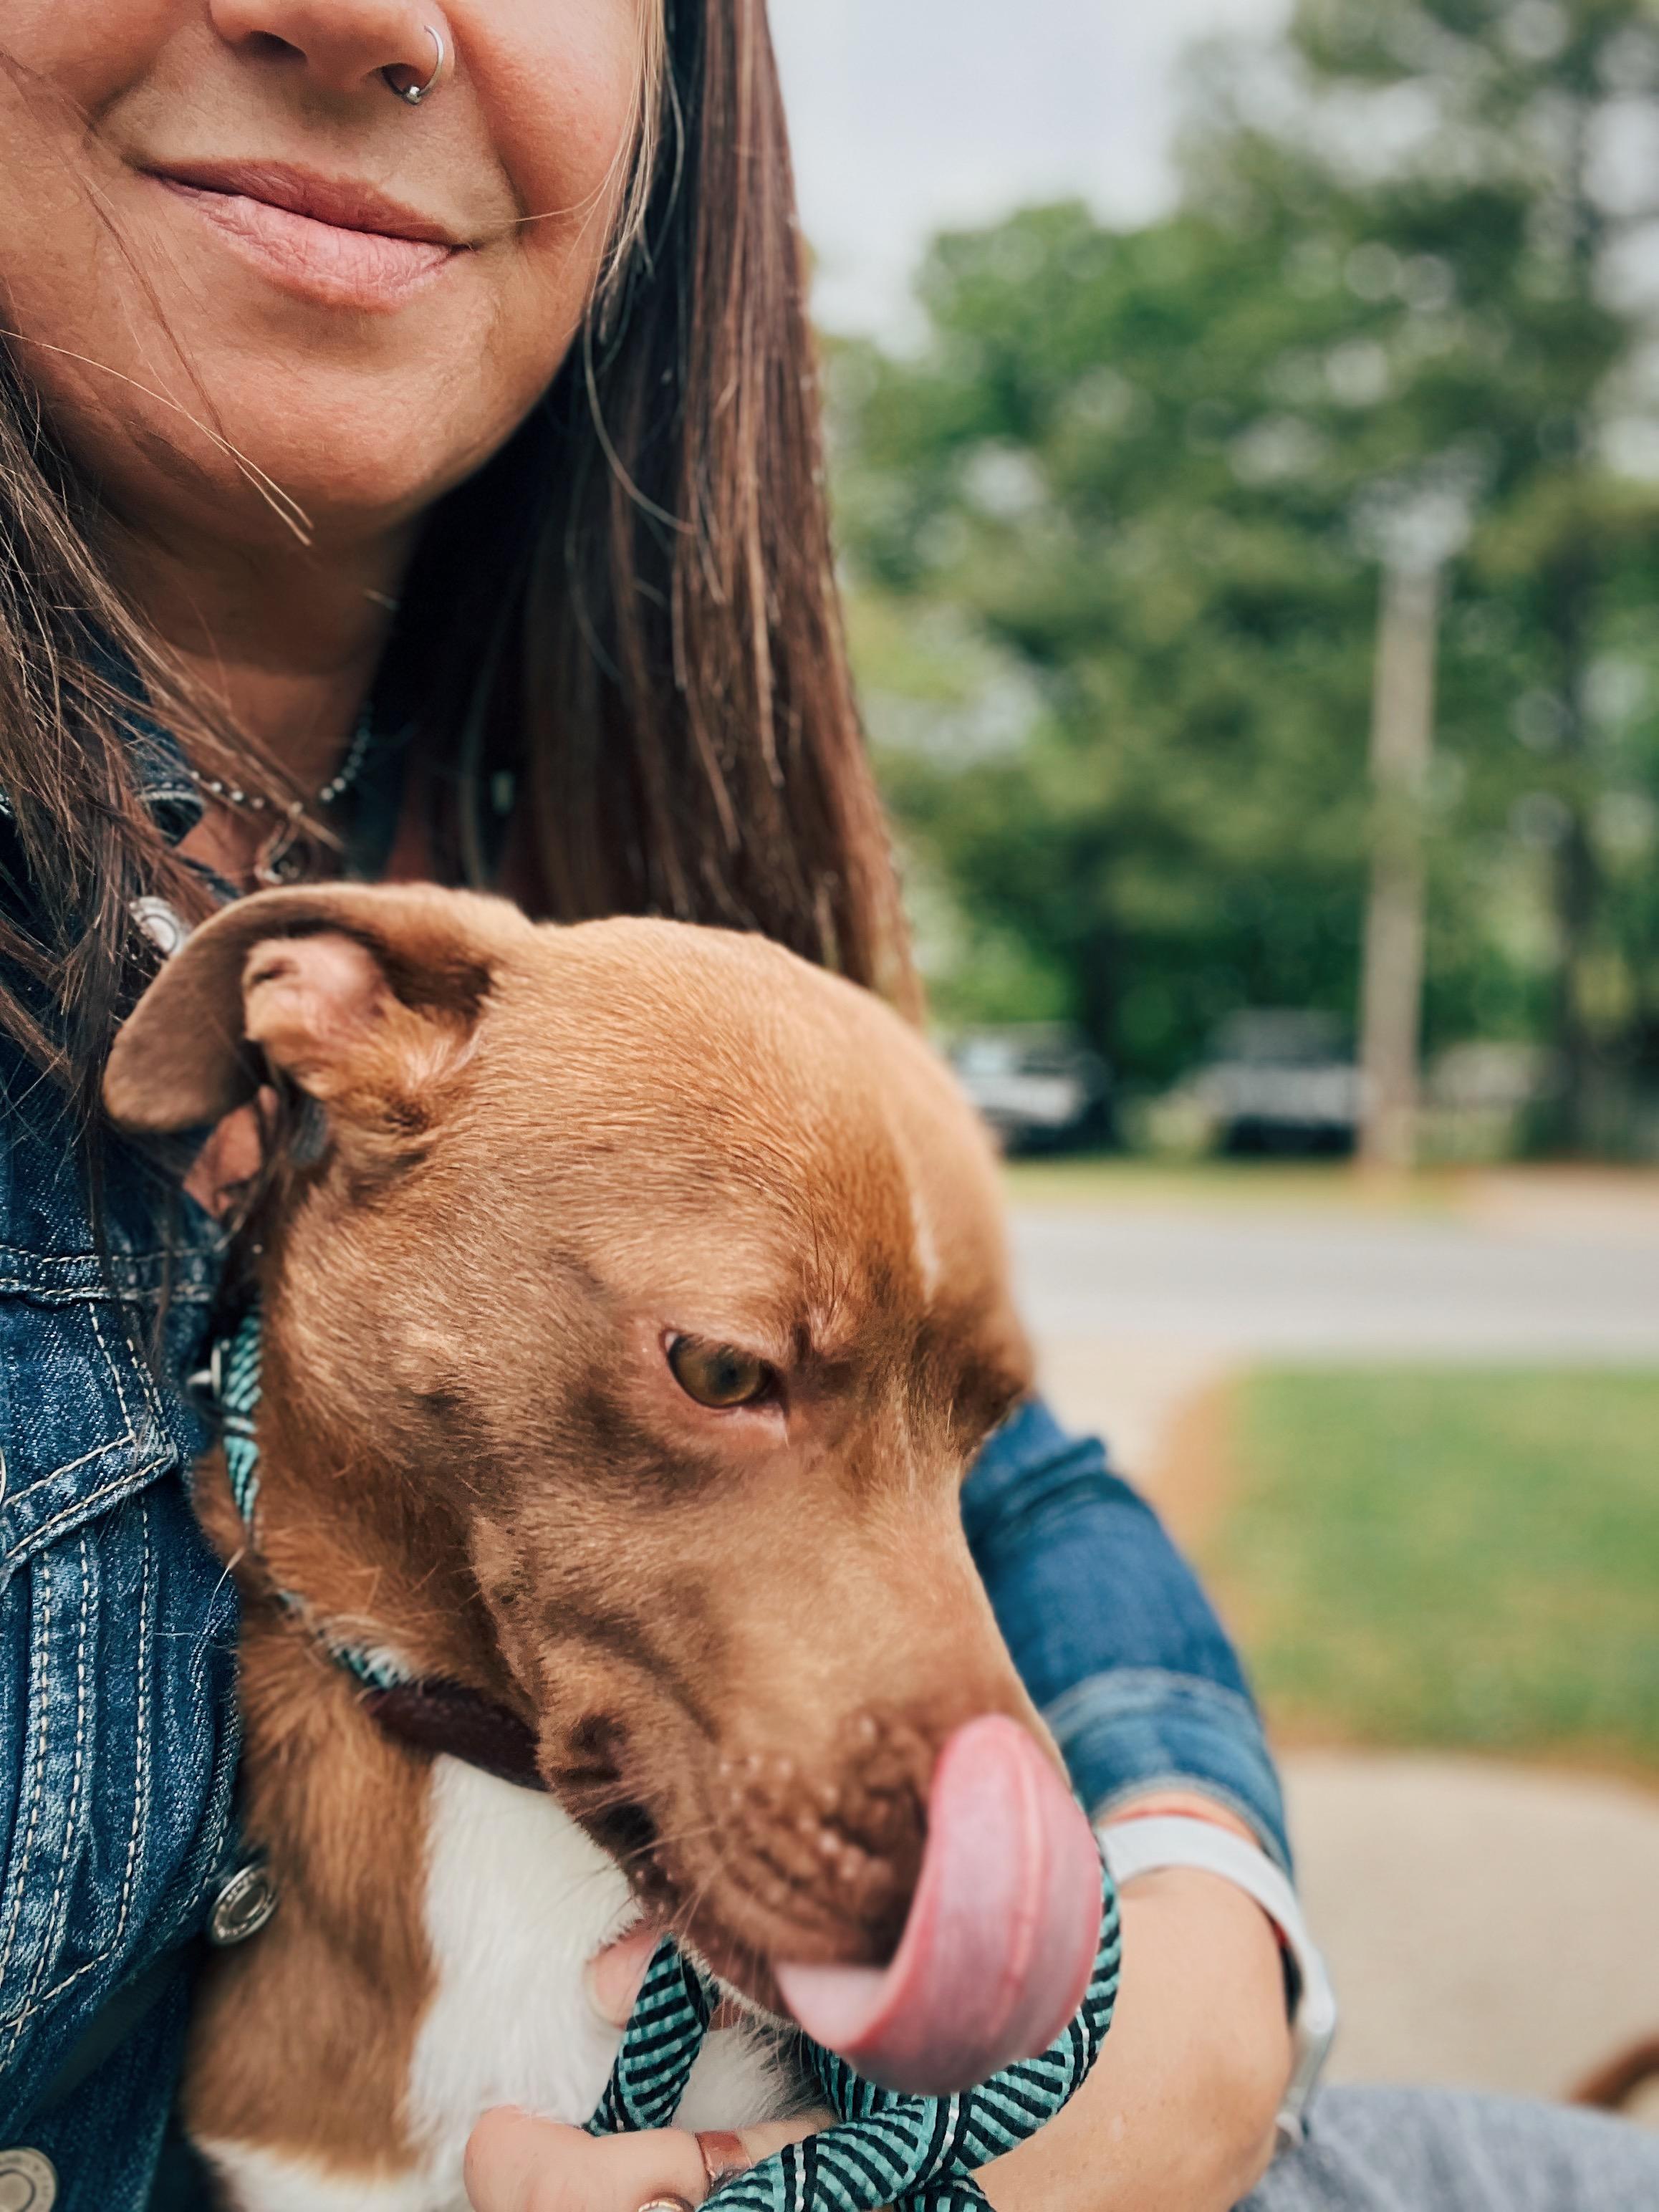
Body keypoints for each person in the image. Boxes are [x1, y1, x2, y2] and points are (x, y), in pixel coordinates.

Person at [0, 6, 1653, 2211]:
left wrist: (1193, 1946)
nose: (374, 13)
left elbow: (1007, 1459)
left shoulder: (641, 900)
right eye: (718, 1369)